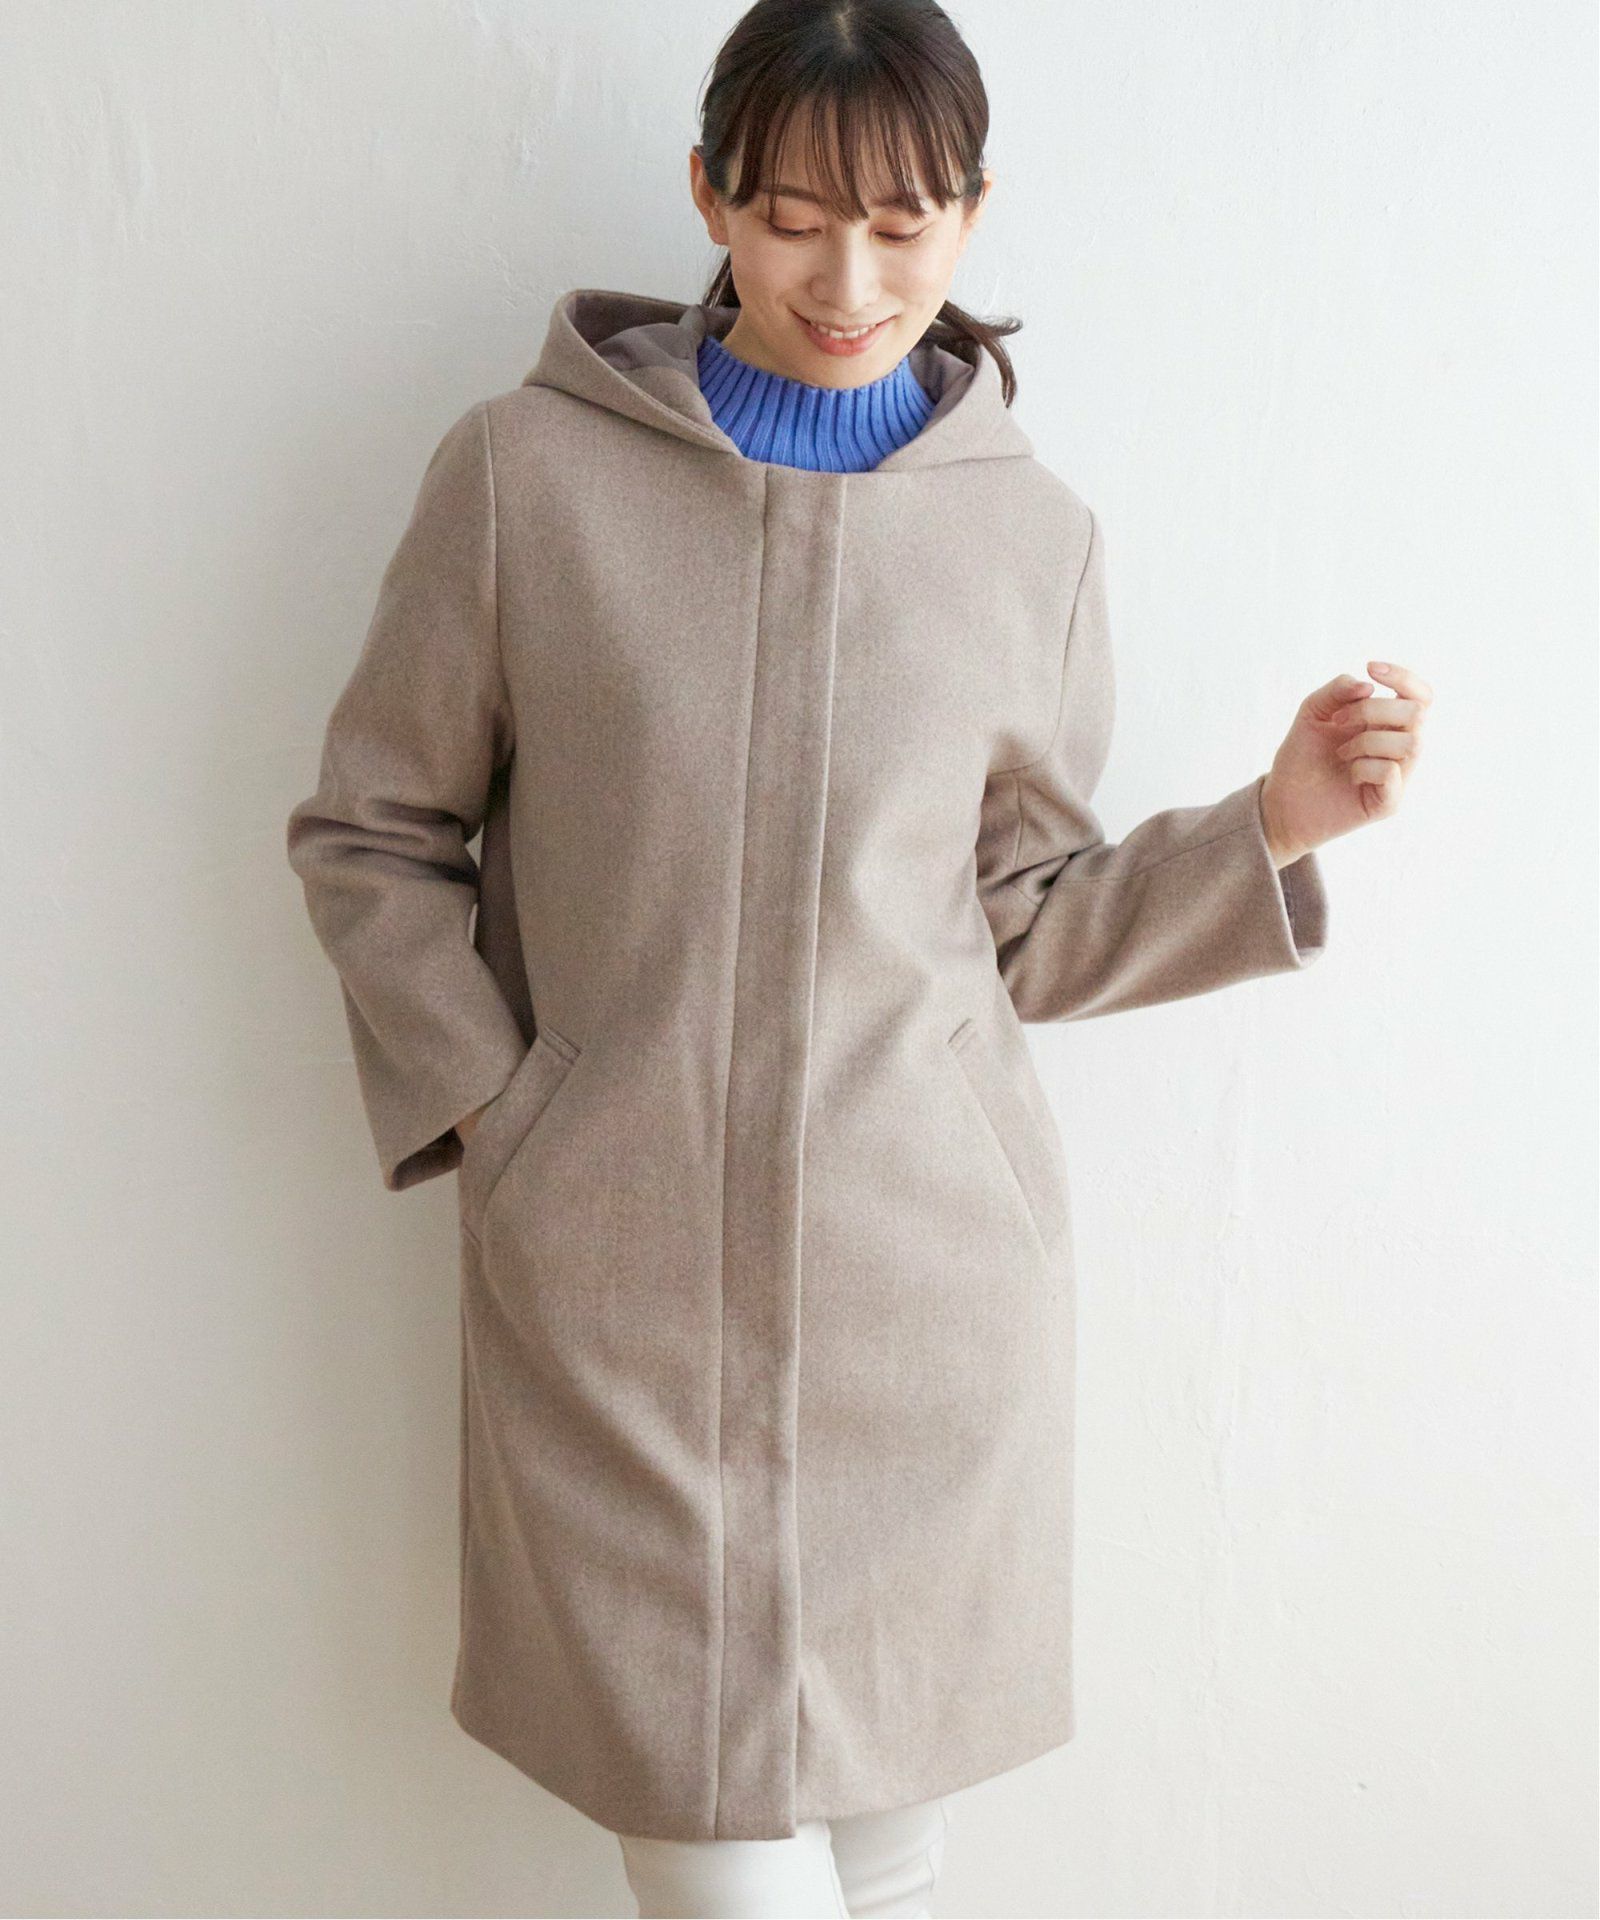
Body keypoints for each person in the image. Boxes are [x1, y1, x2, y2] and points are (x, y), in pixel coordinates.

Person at [285, 2, 1428, 1913]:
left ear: (970, 216)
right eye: (796, 219)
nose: (849, 280)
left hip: (927, 1308)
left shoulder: (1031, 539)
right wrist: (510, 1117)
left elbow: (1027, 923)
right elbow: (375, 831)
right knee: (720, 1848)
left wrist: (1275, 824)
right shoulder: (524, 481)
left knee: (891, 1864)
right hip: (615, 1307)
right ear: (710, 198)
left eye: (905, 225)